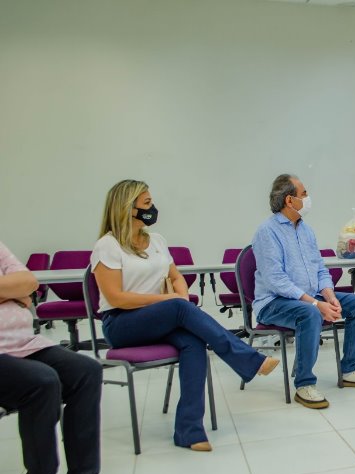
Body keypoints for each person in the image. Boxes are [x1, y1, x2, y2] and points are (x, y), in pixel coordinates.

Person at [92, 179, 278, 452]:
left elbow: (176, 276)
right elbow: (117, 297)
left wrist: (178, 294)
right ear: (127, 208)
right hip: (121, 323)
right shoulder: (107, 246)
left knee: (193, 344)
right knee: (179, 308)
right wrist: (169, 300)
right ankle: (249, 360)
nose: (152, 208)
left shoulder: (156, 241)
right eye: (146, 203)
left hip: (158, 318)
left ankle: (188, 431)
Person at [252, 174, 355, 410]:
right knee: (309, 314)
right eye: (304, 194)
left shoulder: (306, 230)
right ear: (289, 200)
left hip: (310, 295)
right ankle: (304, 384)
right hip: (273, 302)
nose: (308, 198)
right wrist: (315, 304)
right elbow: (276, 280)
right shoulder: (267, 232)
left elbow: (320, 268)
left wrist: (330, 296)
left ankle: (350, 369)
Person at [0, 240, 110, 474]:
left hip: (23, 344)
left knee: (87, 371)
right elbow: (20, 288)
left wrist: (20, 290)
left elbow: (29, 283)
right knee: (42, 381)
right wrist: (12, 292)